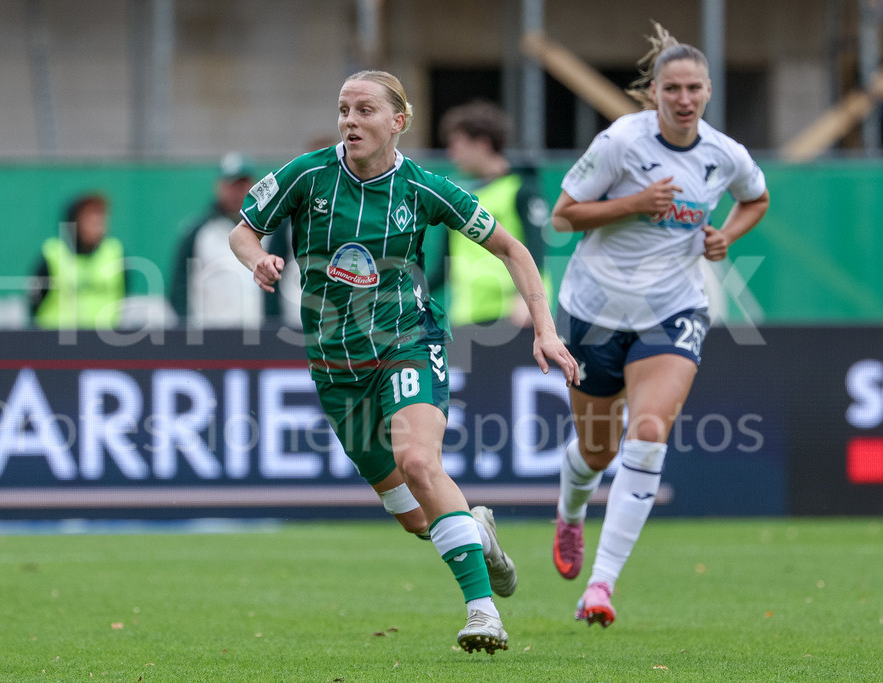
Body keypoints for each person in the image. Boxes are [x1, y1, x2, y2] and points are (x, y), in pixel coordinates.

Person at [229, 70, 579, 654]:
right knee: (417, 519)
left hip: (408, 342)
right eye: (344, 109)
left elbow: (512, 248)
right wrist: (256, 259)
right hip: (336, 367)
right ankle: (478, 533)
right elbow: (243, 232)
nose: (350, 120)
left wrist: (544, 327)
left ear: (398, 121)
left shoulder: (422, 187)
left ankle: (483, 613)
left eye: (365, 110)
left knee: (418, 461)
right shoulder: (306, 174)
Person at [549, 23, 770, 628]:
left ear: (708, 91)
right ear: (654, 93)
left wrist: (726, 235)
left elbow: (756, 198)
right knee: (597, 450)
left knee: (648, 432)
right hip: (595, 311)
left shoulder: (724, 154)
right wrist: (634, 204)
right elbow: (564, 216)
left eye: (694, 88)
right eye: (672, 88)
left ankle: (601, 585)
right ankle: (570, 513)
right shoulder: (621, 142)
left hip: (673, 311)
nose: (684, 98)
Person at [439, 100, 551, 327]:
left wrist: (529, 298)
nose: (452, 154)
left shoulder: (520, 189)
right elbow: (442, 267)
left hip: (512, 315)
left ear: (482, 144)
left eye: (458, 144)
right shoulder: (457, 198)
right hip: (466, 315)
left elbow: (536, 248)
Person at [170, 152, 288, 328]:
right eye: (232, 185)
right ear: (219, 187)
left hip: (262, 334)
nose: (238, 192)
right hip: (212, 335)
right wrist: (189, 331)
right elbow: (180, 288)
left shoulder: (274, 230)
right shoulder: (198, 233)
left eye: (243, 184)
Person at [29, 193, 128, 329]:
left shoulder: (116, 254)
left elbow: (124, 298)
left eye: (100, 218)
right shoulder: (52, 255)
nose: (97, 225)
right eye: (89, 218)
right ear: (74, 221)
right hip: (56, 337)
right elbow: (34, 302)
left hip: (104, 338)